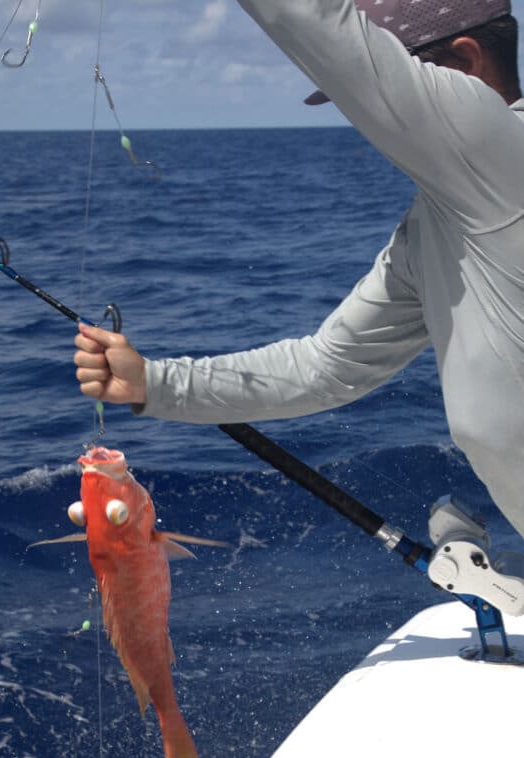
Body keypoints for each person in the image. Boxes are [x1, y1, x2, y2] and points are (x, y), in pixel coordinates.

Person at [74, 0, 524, 539]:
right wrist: (154, 383)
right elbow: (326, 367)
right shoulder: (438, 224)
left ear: (467, 63)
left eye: (389, 97)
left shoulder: (504, 149)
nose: (369, 126)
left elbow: (318, 25)